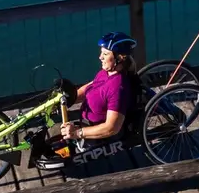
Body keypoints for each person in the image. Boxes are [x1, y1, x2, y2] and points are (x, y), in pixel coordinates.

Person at [38, 32, 139, 170]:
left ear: (120, 58)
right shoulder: (106, 73)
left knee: (52, 158)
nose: (100, 57)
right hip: (84, 126)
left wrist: (78, 133)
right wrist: (70, 98)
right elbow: (90, 88)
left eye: (105, 54)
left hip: (96, 138)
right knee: (44, 147)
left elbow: (112, 127)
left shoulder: (118, 87)